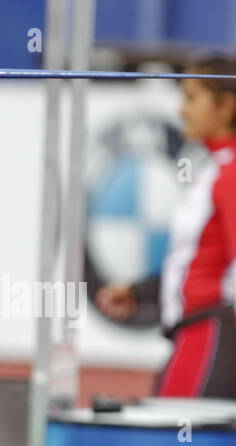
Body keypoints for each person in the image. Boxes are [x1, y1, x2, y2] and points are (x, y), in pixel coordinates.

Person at [95, 56, 236, 399]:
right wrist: (138, 291)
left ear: (226, 106)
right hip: (199, 332)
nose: (182, 110)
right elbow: (198, 261)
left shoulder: (230, 172)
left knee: (175, 441)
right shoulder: (216, 168)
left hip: (212, 332)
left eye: (191, 98)